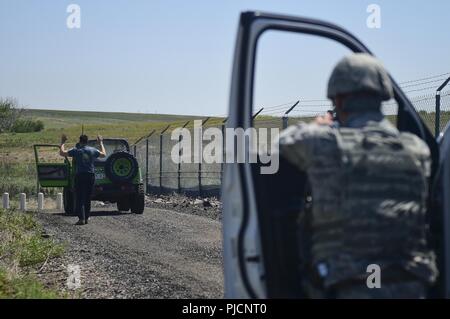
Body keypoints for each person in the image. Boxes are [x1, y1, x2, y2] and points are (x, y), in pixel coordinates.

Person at [278, 53, 438, 298]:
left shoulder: (326, 145)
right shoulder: (417, 149)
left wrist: (320, 125)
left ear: (339, 101)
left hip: (350, 286)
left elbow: (285, 142)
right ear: (381, 97)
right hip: (412, 286)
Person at [59, 134, 106, 225]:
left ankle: (81, 219)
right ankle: (87, 218)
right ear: (87, 141)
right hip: (90, 175)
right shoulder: (92, 150)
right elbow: (104, 154)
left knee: (80, 197)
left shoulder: (76, 151)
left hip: (80, 175)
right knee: (88, 198)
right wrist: (101, 143)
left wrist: (62, 142)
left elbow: (62, 153)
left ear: (80, 141)